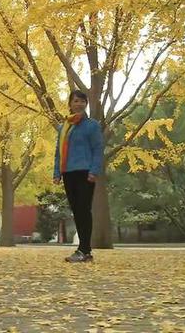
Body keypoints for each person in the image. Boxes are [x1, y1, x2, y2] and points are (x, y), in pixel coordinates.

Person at [53, 90, 103, 263]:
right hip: (68, 173)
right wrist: (57, 173)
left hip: (85, 173)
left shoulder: (92, 126)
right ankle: (83, 250)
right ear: (70, 104)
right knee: (76, 211)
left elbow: (98, 150)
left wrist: (94, 171)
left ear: (86, 104)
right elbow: (58, 153)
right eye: (76, 101)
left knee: (83, 210)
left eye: (83, 101)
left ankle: (84, 249)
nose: (79, 104)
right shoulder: (64, 127)